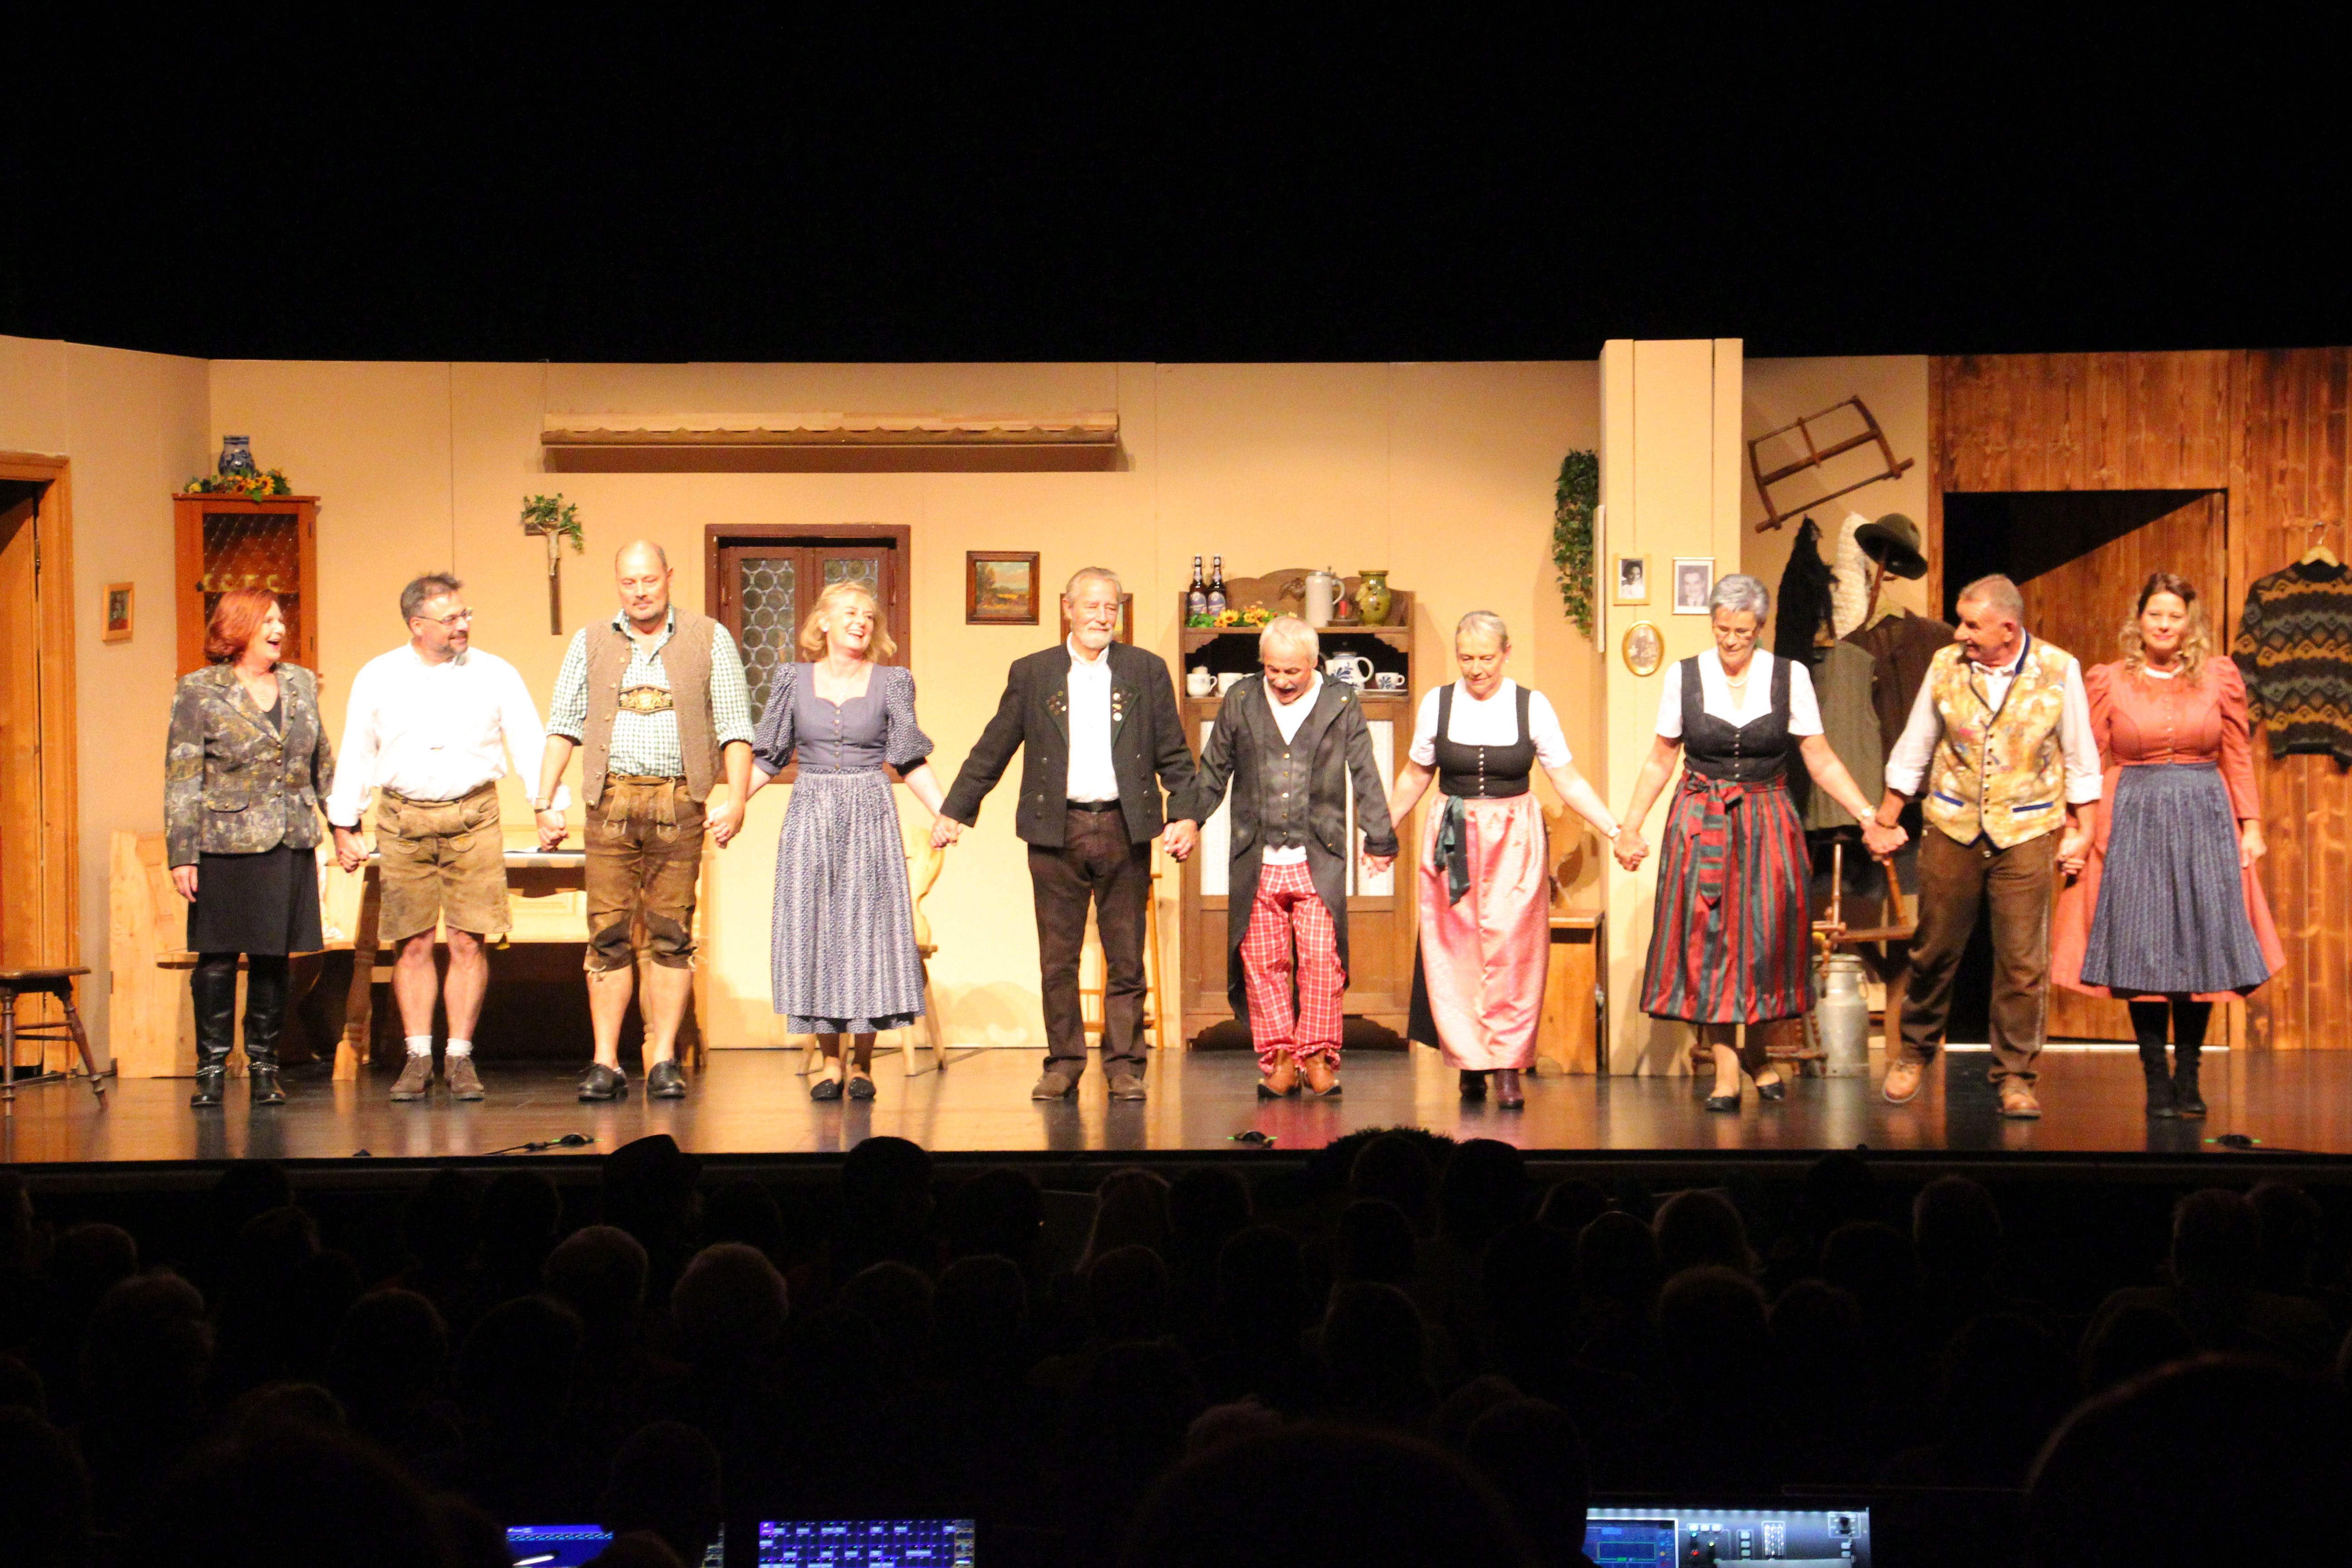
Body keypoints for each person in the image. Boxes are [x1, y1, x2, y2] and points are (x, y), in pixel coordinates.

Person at [1616, 575, 1894, 1110]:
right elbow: (1661, 758)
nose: (1731, 640)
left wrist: (1867, 815)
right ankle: (1726, 1069)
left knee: (1768, 938)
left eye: (1742, 631)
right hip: (1702, 818)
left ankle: (1759, 1053)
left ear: (1759, 627)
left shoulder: (1789, 677)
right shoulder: (1685, 676)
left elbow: (1819, 756)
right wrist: (1630, 827)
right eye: (1723, 629)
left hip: (1768, 817)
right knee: (1710, 938)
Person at [937, 567, 1200, 1102]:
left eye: (1111, 608)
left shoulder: (1145, 670)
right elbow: (994, 746)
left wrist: (1186, 814)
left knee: (1126, 957)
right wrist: (955, 811)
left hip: (1125, 826)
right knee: (1058, 959)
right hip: (1056, 829)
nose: (1102, 617)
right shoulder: (1034, 673)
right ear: (1068, 608)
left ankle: (1125, 1066)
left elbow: (1173, 752)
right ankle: (1063, 1064)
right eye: (1092, 606)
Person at [1868, 573, 2102, 1119]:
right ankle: (1915, 1051)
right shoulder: (1946, 665)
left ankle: (2016, 1075)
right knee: (1934, 949)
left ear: (2008, 628)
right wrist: (1886, 816)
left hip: (2027, 827)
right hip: (1953, 822)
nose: (1961, 633)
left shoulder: (2058, 669)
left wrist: (2084, 829)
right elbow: (1916, 744)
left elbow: (2080, 754)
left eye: (1972, 625)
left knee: (2022, 961)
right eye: (1962, 622)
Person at [326, 573, 563, 1102]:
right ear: (417, 625)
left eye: (465, 614)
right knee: (411, 941)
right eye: (451, 618)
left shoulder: (495, 673)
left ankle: (459, 1056)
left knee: (467, 939)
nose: (463, 625)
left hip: (472, 816)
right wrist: (345, 823)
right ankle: (417, 1057)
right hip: (404, 820)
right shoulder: (379, 676)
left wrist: (547, 804)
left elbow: (529, 740)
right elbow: (358, 750)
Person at [2053, 573, 2281, 1118]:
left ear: (2189, 623)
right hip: (2132, 816)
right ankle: (2156, 1078)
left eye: (2174, 616)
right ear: (2138, 620)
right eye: (2155, 614)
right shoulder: (2110, 680)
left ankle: (2190, 1075)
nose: (2163, 625)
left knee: (2201, 947)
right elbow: (2088, 761)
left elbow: (2237, 754)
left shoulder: (2219, 676)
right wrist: (2078, 827)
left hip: (2206, 815)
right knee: (2143, 949)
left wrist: (2251, 825)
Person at [541, 541, 755, 1102]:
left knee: (672, 932)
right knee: (607, 932)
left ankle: (662, 1059)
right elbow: (563, 724)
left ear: (669, 577)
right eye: (629, 582)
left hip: (678, 803)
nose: (640, 592)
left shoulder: (708, 637)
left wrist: (736, 799)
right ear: (618, 583)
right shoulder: (591, 640)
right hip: (609, 803)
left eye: (649, 580)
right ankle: (605, 1061)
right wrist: (544, 800)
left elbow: (736, 727)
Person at [1387, 612, 1622, 1109]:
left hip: (1514, 838)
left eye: (1486, 659)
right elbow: (1415, 775)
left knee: (1514, 950)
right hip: (1454, 838)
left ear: (1507, 654)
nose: (1476, 669)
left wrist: (1614, 829)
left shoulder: (1531, 706)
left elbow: (1567, 778)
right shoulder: (1438, 704)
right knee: (1456, 951)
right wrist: (1381, 828)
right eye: (1466, 658)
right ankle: (1470, 1063)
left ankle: (1508, 1065)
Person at [743, 580, 954, 1100]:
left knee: (869, 933)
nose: (861, 621)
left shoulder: (893, 682)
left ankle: (862, 1064)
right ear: (823, 622)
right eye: (850, 613)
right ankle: (831, 1062)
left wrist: (945, 812)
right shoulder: (792, 679)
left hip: (869, 813)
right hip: (811, 813)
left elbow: (909, 757)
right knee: (814, 930)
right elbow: (769, 756)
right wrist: (731, 805)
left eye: (868, 615)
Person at [1179, 615, 1398, 1098]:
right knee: (1263, 963)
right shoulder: (1241, 699)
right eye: (1272, 670)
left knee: (1321, 961)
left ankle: (1317, 1056)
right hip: (1257, 857)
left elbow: (1365, 772)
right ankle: (1280, 1060)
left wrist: (1379, 838)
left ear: (1314, 663)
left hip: (1318, 855)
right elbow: (1213, 770)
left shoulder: (1341, 702)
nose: (1280, 681)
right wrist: (1189, 819)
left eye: (1292, 672)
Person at [164, 589, 334, 1109]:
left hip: (289, 838)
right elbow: (182, 776)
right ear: (239, 628)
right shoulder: (199, 690)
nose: (280, 629)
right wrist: (182, 853)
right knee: (217, 959)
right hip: (224, 844)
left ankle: (264, 1066)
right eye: (268, 621)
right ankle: (212, 1068)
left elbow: (321, 761)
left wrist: (343, 824)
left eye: (282, 620)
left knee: (272, 958)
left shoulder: (300, 683)